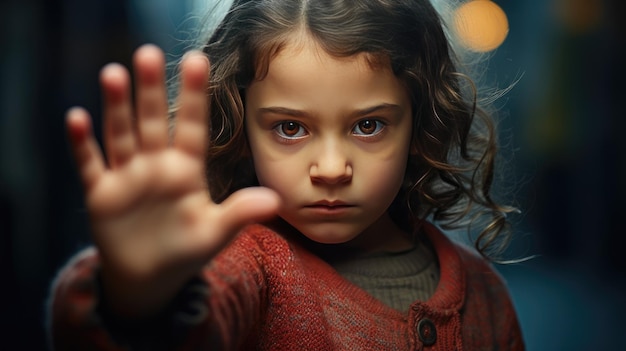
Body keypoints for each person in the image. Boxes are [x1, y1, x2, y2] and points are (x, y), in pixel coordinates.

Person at [47, 0, 524, 349]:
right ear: (239, 126)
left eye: (369, 125)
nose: (332, 169)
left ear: (419, 124)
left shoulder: (485, 297)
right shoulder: (249, 267)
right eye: (291, 128)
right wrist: (137, 300)